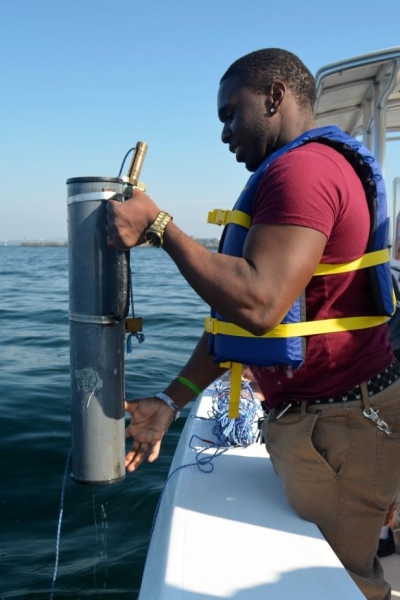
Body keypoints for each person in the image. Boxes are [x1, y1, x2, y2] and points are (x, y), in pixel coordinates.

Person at [106, 48, 400, 600]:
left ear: (273, 96)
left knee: (346, 586)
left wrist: (162, 227)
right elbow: (239, 329)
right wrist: (169, 404)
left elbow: (260, 304)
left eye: (229, 113)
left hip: (341, 430)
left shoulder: (304, 171)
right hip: (320, 425)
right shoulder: (299, 170)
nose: (224, 133)